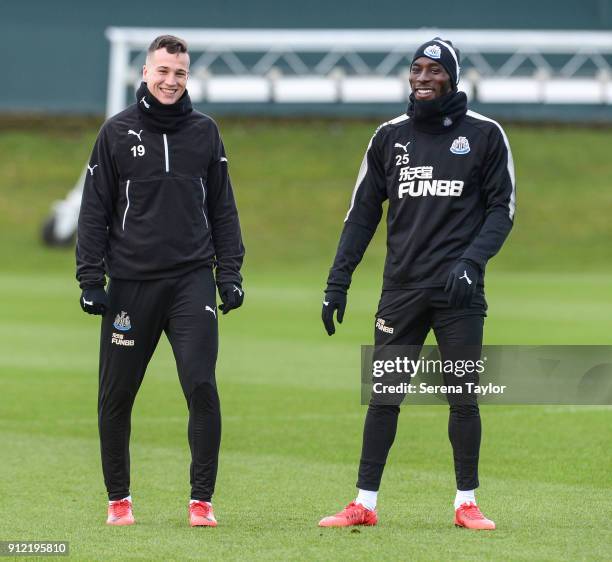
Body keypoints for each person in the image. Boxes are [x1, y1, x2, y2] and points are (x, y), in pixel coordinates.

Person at [319, 38, 515, 530]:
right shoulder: (389, 137)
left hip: (459, 293)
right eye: (417, 69)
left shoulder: (486, 135)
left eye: (434, 70)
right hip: (402, 290)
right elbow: (361, 215)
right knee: (384, 397)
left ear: (452, 77)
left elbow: (502, 211)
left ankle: (466, 503)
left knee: (463, 396)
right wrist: (337, 282)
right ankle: (364, 503)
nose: (423, 78)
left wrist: (471, 262)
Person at [76, 35, 245, 527]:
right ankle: (119, 500)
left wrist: (229, 273)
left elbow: (223, 209)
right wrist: (90, 278)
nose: (171, 81)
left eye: (180, 73)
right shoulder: (115, 133)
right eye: (163, 72)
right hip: (130, 284)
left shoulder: (205, 133)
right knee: (116, 395)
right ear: (145, 73)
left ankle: (201, 501)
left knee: (201, 384)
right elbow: (94, 212)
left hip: (191, 280)